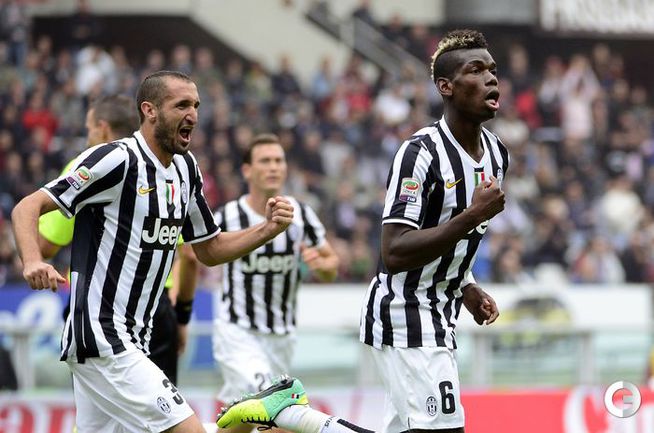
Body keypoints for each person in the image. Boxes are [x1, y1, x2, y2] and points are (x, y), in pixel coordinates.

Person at [215, 28, 507, 433]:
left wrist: (466, 285)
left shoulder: (496, 154)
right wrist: (472, 216)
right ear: (446, 87)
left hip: (442, 312)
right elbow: (395, 250)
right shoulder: (419, 154)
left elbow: (449, 236)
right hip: (407, 312)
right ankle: (291, 413)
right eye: (476, 70)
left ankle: (288, 411)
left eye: (492, 70)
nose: (490, 78)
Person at [11, 70, 294, 433]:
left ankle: (244, 416)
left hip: (135, 339)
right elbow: (27, 207)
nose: (192, 114)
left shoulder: (186, 169)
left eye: (196, 105)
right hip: (103, 336)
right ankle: (245, 415)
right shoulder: (115, 160)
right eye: (182, 105)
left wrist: (266, 230)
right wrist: (33, 261)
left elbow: (209, 249)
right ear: (150, 110)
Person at [37, 93, 197, 385]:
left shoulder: (86, 166)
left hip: (100, 307)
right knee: (158, 405)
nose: (88, 137)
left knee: (107, 401)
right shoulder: (169, 167)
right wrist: (182, 316)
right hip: (157, 306)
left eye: (89, 129)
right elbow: (188, 254)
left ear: (102, 128)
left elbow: (46, 244)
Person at [212, 133, 339, 433]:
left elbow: (331, 265)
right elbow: (199, 254)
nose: (273, 167)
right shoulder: (228, 216)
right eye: (265, 161)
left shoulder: (301, 214)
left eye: (278, 161)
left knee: (241, 420)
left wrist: (322, 266)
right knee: (276, 410)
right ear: (247, 170)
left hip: (282, 337)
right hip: (238, 332)